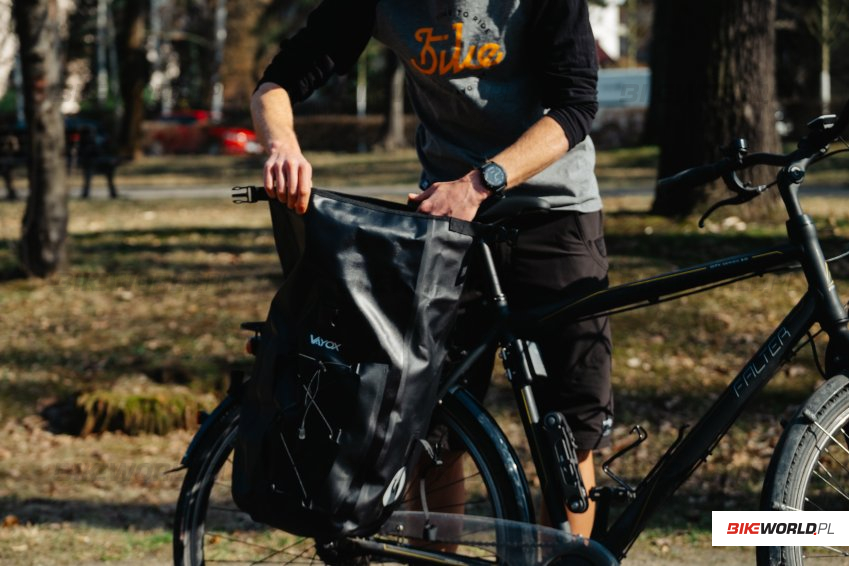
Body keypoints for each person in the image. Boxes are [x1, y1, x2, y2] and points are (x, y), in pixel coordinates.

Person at [251, 0, 612, 538]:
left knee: (572, 429)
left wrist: (480, 183)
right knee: (431, 422)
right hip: (446, 226)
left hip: (555, 215)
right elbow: (276, 83)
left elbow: (575, 106)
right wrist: (283, 147)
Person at [79, 126, 119, 199]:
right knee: (89, 178)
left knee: (109, 174)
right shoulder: (87, 143)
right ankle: (86, 194)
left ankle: (113, 193)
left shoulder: (95, 141)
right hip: (91, 163)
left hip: (97, 163)